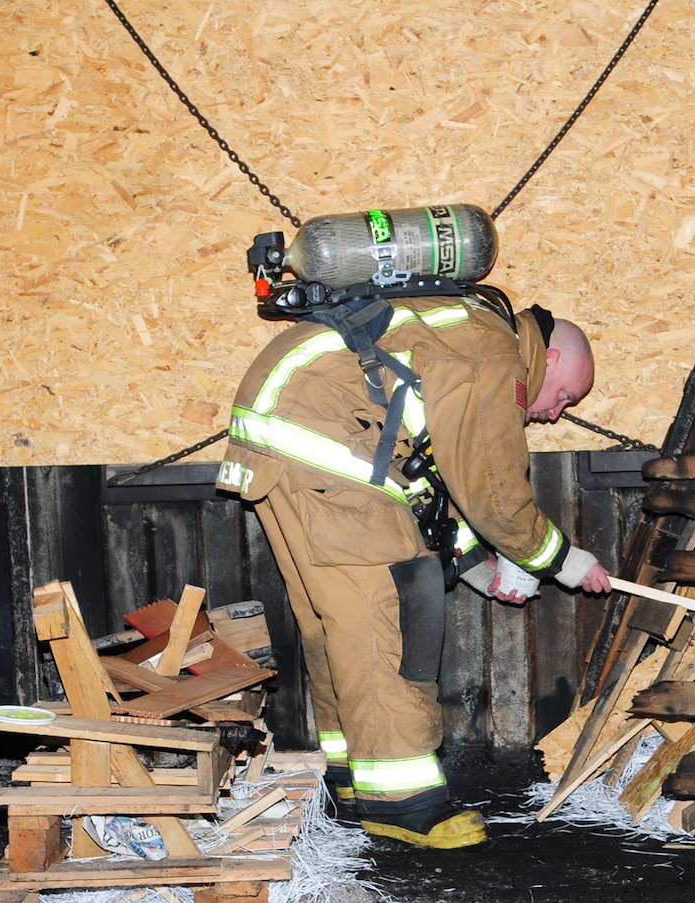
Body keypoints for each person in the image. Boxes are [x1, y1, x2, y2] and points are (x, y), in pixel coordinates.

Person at [218, 297, 613, 848]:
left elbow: (430, 481)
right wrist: (560, 561)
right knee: (390, 618)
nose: (556, 413)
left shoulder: (458, 333)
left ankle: (350, 779)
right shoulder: (492, 351)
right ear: (545, 357)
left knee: (336, 625)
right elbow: (493, 490)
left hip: (290, 436)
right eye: (564, 396)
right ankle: (402, 805)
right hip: (322, 439)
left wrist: (479, 566)